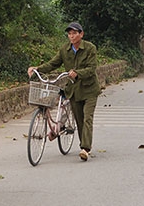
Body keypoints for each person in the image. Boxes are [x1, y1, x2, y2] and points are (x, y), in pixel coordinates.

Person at [28, 22, 101, 161]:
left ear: (81, 34)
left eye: (74, 33)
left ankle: (85, 148)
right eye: (70, 33)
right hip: (73, 90)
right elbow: (53, 63)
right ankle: (81, 144)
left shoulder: (90, 48)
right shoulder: (64, 50)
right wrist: (37, 69)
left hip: (89, 89)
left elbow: (92, 68)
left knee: (87, 118)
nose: (72, 36)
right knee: (79, 120)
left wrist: (77, 73)